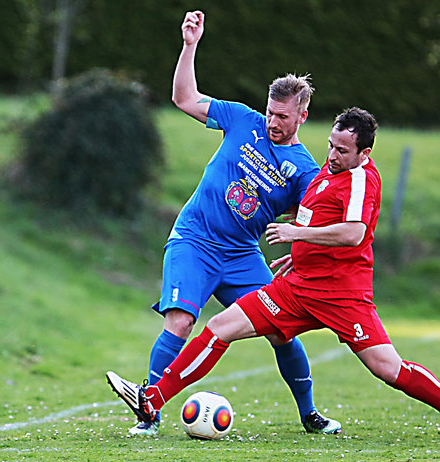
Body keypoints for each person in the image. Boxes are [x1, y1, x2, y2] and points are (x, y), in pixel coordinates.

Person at [107, 107, 440, 444]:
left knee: (389, 369)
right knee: (219, 327)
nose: (332, 155)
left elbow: (353, 233)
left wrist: (298, 235)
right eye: (331, 145)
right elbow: (312, 217)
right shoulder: (326, 173)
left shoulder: (361, 181)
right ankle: (152, 399)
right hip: (297, 288)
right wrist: (299, 255)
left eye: (343, 150)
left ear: (364, 152)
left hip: (342, 297)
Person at [127, 9, 341, 436]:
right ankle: (147, 414)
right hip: (193, 240)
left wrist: (303, 253)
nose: (273, 122)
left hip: (242, 256)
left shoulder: (304, 169)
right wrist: (189, 46)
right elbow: (184, 98)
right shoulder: (242, 119)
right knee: (181, 322)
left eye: (282, 116)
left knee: (281, 330)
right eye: (270, 113)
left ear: (302, 115)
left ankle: (309, 414)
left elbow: (309, 220)